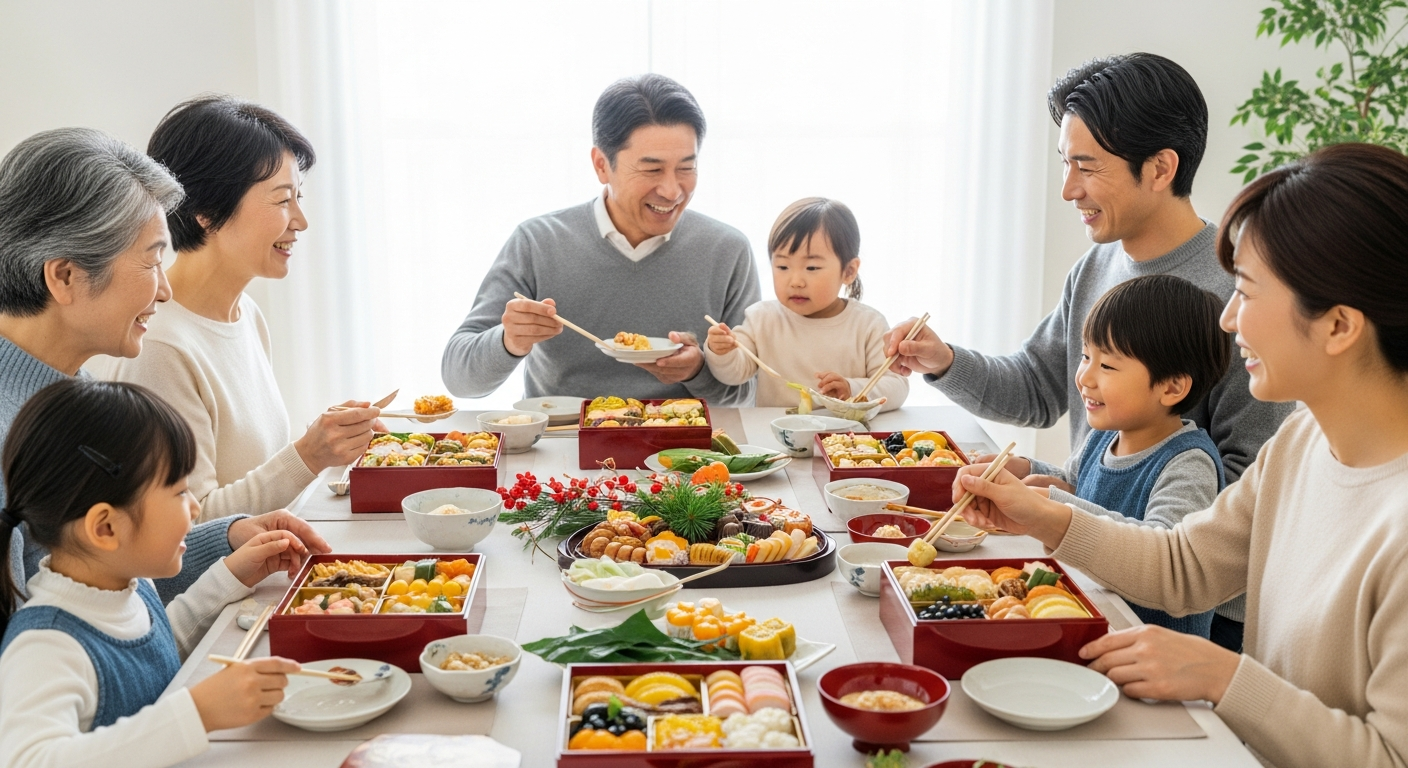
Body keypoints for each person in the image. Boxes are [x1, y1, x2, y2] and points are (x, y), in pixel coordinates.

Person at [951, 143, 1408, 768]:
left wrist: (1223, 677)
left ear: (1338, 326)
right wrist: (1041, 514)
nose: (1227, 319)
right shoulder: (1302, 443)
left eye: (1246, 292)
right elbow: (1187, 564)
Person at [883, 53, 1294, 650]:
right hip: (1095, 579)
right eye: (1064, 164)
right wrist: (943, 360)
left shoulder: (1236, 294)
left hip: (1190, 622)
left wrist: (1068, 515)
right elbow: (1036, 388)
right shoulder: (1097, 265)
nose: (1068, 189)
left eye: (1086, 166)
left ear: (1160, 168)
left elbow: (1245, 488)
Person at [0, 127, 328, 604]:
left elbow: (109, 574)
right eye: (151, 262)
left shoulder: (72, 392)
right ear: (65, 276)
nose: (164, 289)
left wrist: (228, 538)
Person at [89, 96, 381, 523]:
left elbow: (246, 474)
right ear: (205, 211)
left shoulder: (246, 315)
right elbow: (190, 525)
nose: (300, 221)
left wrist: (334, 444)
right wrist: (308, 456)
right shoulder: (160, 346)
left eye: (299, 198)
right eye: (283, 200)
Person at [0, 379, 302, 768]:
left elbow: (154, 654)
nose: (195, 508)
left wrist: (229, 576)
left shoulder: (127, 584)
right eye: (179, 492)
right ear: (106, 528)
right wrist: (196, 713)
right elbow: (27, 759)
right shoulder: (46, 644)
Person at [442, 74, 761, 403]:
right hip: (563, 446)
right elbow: (460, 380)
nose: (671, 190)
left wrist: (698, 373)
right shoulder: (537, 243)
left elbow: (749, 394)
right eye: (652, 170)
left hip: (684, 451)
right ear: (601, 166)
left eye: (686, 168)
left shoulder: (727, 250)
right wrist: (509, 341)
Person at [998, 275, 1230, 635]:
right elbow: (1075, 485)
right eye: (1086, 356)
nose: (1084, 378)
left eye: (1107, 366)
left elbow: (1163, 549)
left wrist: (1054, 505)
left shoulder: (1189, 463)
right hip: (1093, 622)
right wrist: (1024, 468)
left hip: (1149, 654)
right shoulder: (1102, 437)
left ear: (1171, 386)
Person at [703, 197, 907, 409]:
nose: (796, 282)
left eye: (811, 268)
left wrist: (852, 389)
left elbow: (896, 386)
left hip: (844, 438)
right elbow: (734, 374)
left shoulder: (867, 324)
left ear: (848, 271)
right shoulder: (761, 318)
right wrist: (721, 351)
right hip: (773, 436)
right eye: (782, 267)